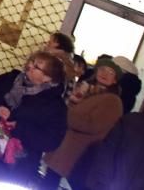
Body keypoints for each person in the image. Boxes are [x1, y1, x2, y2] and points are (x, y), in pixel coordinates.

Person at [0, 50, 67, 186]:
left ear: (47, 78)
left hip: (13, 161)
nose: (30, 66)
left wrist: (19, 127)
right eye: (32, 61)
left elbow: (51, 140)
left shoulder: (55, 105)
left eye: (36, 67)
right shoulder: (12, 78)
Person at [42, 57, 124, 189]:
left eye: (110, 72)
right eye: (102, 69)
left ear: (115, 80)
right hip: (64, 148)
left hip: (80, 154)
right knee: (49, 182)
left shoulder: (113, 101)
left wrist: (64, 115)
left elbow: (93, 124)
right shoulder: (85, 90)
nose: (104, 73)